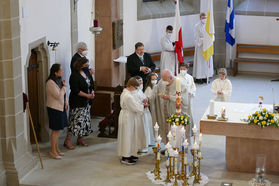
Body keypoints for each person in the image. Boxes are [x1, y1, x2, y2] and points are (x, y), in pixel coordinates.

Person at [66, 58, 94, 147]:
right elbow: (75, 90)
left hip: (86, 101)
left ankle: (80, 138)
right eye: (86, 65)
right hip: (77, 101)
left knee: (84, 121)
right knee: (75, 121)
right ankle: (67, 140)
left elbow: (91, 84)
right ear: (81, 65)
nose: (87, 67)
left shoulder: (86, 73)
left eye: (88, 65)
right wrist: (87, 95)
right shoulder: (74, 75)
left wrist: (92, 92)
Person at [154, 69, 188, 143]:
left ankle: (178, 147)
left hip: (175, 111)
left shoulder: (180, 84)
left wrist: (170, 97)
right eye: (162, 79)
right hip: (165, 110)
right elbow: (158, 91)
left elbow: (183, 98)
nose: (163, 82)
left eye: (165, 80)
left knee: (177, 130)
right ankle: (168, 145)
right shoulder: (161, 82)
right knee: (165, 127)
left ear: (171, 78)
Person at [118, 77, 146, 165]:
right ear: (130, 86)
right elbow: (135, 107)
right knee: (127, 136)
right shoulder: (127, 96)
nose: (136, 89)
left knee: (131, 136)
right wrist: (143, 106)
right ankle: (126, 157)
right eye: (135, 87)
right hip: (128, 117)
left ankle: (131, 153)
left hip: (129, 116)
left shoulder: (126, 92)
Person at [46, 64, 68, 159]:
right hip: (54, 109)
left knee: (58, 130)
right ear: (55, 72)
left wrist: (66, 102)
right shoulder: (50, 83)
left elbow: (63, 95)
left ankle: (57, 149)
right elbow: (58, 95)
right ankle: (53, 151)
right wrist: (64, 87)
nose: (62, 71)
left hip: (60, 107)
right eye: (61, 70)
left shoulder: (58, 80)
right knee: (55, 131)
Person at [134, 76, 155, 151]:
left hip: (145, 111)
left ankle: (146, 142)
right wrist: (143, 104)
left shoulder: (140, 90)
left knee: (147, 126)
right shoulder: (134, 92)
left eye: (142, 82)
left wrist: (146, 99)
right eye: (139, 83)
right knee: (142, 128)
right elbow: (135, 102)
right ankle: (141, 145)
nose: (141, 84)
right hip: (140, 112)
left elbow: (143, 98)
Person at [193, 13, 214, 84]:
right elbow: (196, 37)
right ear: (200, 18)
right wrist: (204, 39)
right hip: (200, 47)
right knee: (200, 62)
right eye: (203, 18)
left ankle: (206, 76)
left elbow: (212, 35)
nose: (204, 19)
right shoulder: (197, 26)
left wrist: (210, 39)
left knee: (206, 63)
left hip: (207, 47)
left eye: (205, 18)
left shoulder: (209, 26)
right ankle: (199, 77)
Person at [178, 63, 196, 129]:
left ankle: (190, 127)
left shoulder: (190, 77)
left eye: (184, 69)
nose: (182, 70)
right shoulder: (177, 77)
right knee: (182, 111)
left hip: (189, 97)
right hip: (181, 98)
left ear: (187, 69)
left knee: (189, 111)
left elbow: (193, 86)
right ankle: (182, 127)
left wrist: (191, 92)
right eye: (181, 69)